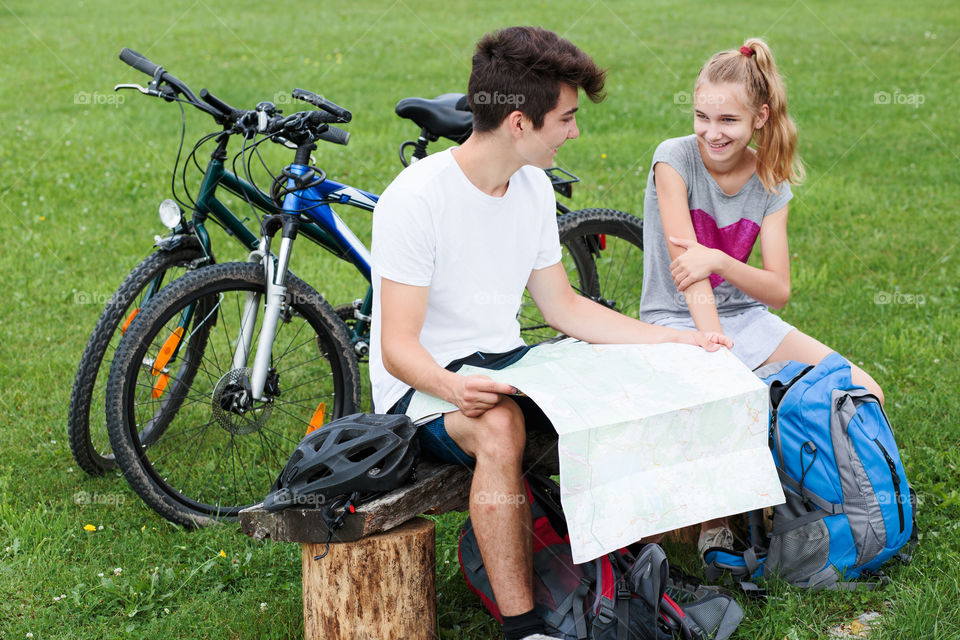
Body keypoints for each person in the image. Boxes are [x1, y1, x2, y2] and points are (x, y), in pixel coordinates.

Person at [370, 26, 731, 640]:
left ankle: (640, 575)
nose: (574, 131)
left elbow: (564, 308)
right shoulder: (415, 198)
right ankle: (525, 627)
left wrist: (672, 341)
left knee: (628, 387)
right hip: (426, 390)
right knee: (499, 426)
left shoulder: (533, 187)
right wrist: (456, 388)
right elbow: (397, 349)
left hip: (508, 364)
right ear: (518, 123)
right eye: (565, 118)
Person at [638, 38, 885, 562]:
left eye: (728, 119)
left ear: (760, 117)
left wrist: (722, 260)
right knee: (729, 397)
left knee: (865, 389)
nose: (711, 131)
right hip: (678, 317)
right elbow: (689, 275)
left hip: (745, 317)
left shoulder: (770, 180)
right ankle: (716, 525)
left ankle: (835, 506)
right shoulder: (674, 159)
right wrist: (710, 339)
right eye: (702, 116)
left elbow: (778, 289)